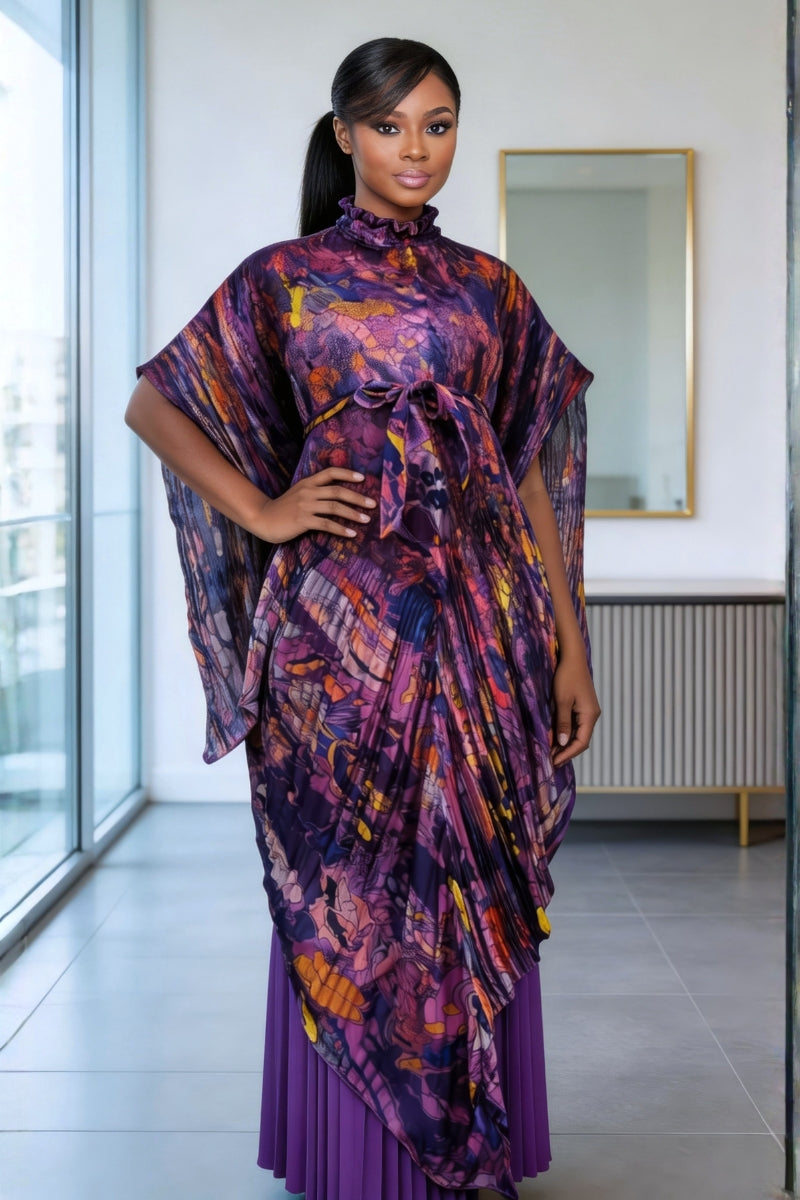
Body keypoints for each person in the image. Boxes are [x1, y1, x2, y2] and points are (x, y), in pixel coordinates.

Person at [126, 36, 600, 1200]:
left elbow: (532, 467)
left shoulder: (489, 288)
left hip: (480, 637)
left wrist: (568, 645)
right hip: (334, 653)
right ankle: (350, 1163)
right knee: (346, 887)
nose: (416, 150)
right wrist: (268, 507)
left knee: (468, 872)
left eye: (437, 125)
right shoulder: (280, 278)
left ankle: (474, 1143)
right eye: (391, 126)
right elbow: (156, 402)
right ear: (344, 134)